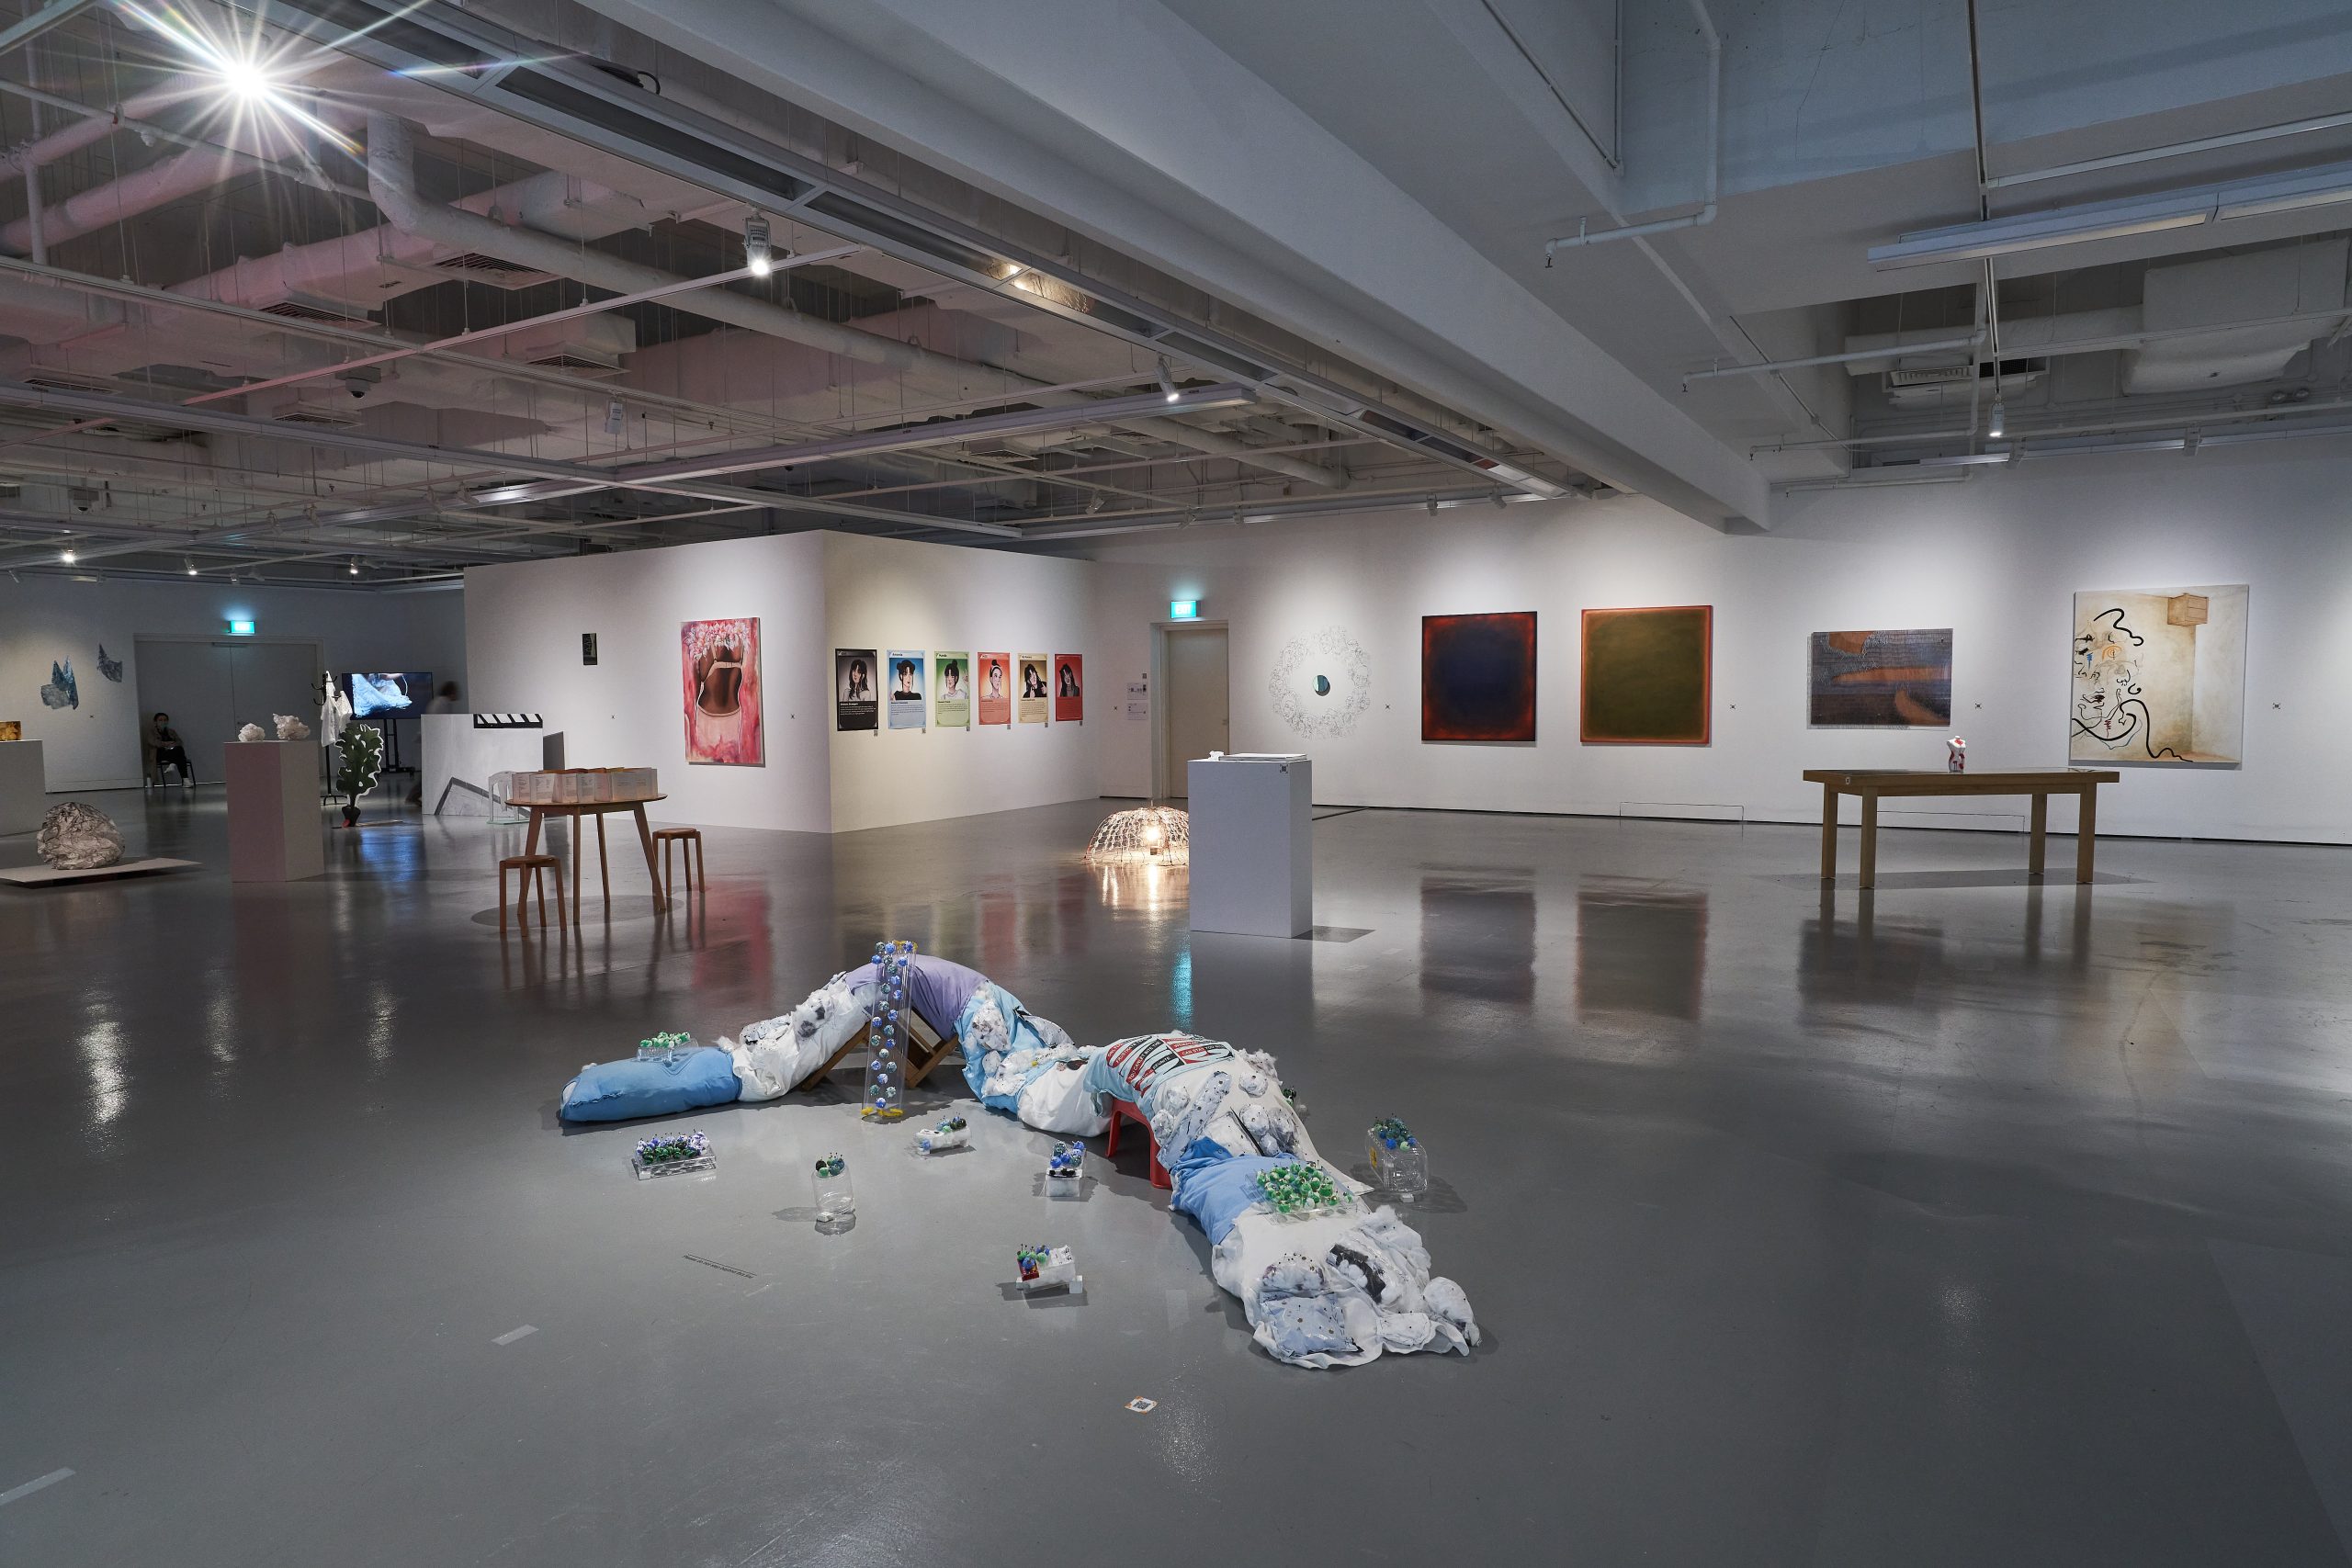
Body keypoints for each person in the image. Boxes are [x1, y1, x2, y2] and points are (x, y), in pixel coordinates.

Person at [146, 712, 193, 787]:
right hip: (158, 754)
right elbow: (154, 742)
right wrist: (166, 743)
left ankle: (175, 766)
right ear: (155, 722)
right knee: (180, 756)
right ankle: (185, 779)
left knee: (179, 750)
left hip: (172, 752)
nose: (163, 722)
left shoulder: (171, 731)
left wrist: (173, 744)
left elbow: (179, 741)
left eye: (165, 720)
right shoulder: (151, 732)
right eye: (160, 720)